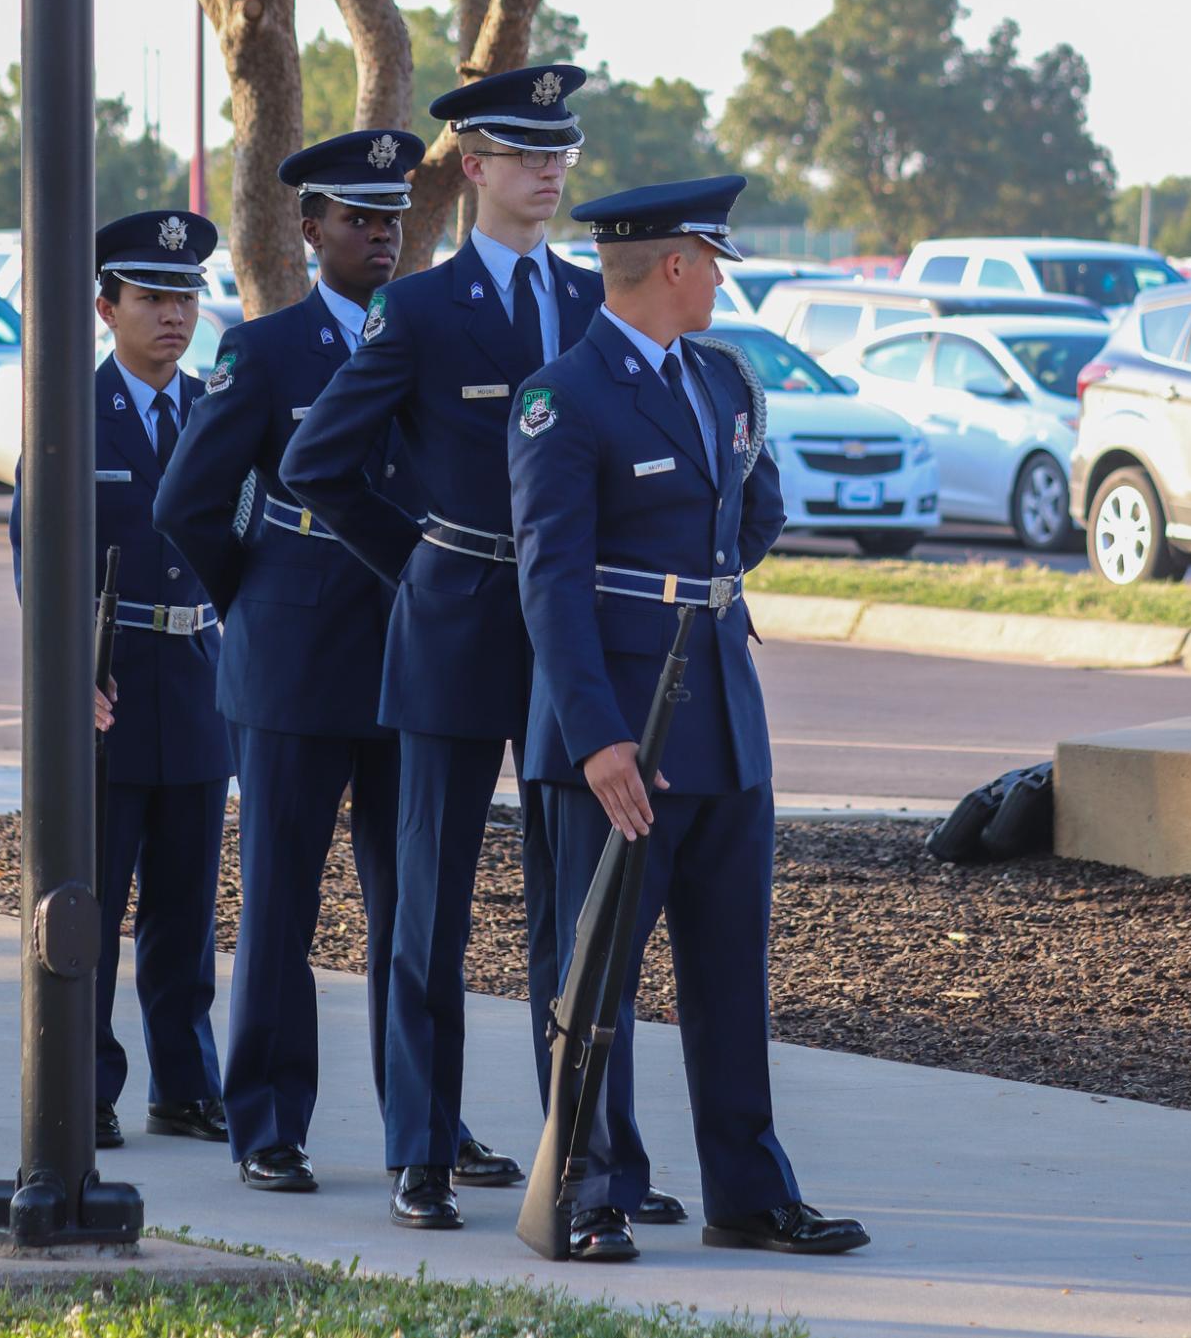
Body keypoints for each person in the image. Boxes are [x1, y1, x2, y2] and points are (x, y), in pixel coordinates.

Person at [282, 68, 678, 1233]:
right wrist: (412, 560)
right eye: (521, 151)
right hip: (451, 622)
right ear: (471, 165)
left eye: (561, 149)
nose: (548, 170)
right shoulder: (419, 307)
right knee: (428, 903)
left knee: (578, 907)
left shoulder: (590, 298)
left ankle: (592, 1150)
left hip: (575, 636)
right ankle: (421, 1149)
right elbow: (317, 467)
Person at [508, 176, 870, 1263]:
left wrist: (689, 595)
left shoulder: (720, 382)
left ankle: (747, 1194)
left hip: (719, 714)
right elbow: (548, 582)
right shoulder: (562, 397)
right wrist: (594, 734)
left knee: (729, 974)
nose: (719, 277)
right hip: (622, 732)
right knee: (594, 977)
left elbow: (749, 517)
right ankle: (585, 1189)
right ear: (671, 266)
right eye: (710, 259)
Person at [154, 129, 498, 1195]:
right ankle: (265, 1123)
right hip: (294, 659)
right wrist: (256, 595)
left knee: (418, 909)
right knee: (280, 905)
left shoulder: (440, 335)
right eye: (356, 218)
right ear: (309, 231)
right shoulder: (263, 353)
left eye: (393, 217)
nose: (380, 235)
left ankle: (425, 1129)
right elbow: (185, 504)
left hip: (417, 655)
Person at [10, 208, 233, 1152]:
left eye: (184, 296)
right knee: (93, 903)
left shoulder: (215, 407)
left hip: (195, 684)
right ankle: (86, 1080)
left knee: (185, 912)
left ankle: (184, 1084)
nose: (173, 315)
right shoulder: (69, 409)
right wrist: (68, 675)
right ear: (105, 305)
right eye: (151, 297)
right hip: (105, 690)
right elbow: (36, 551)